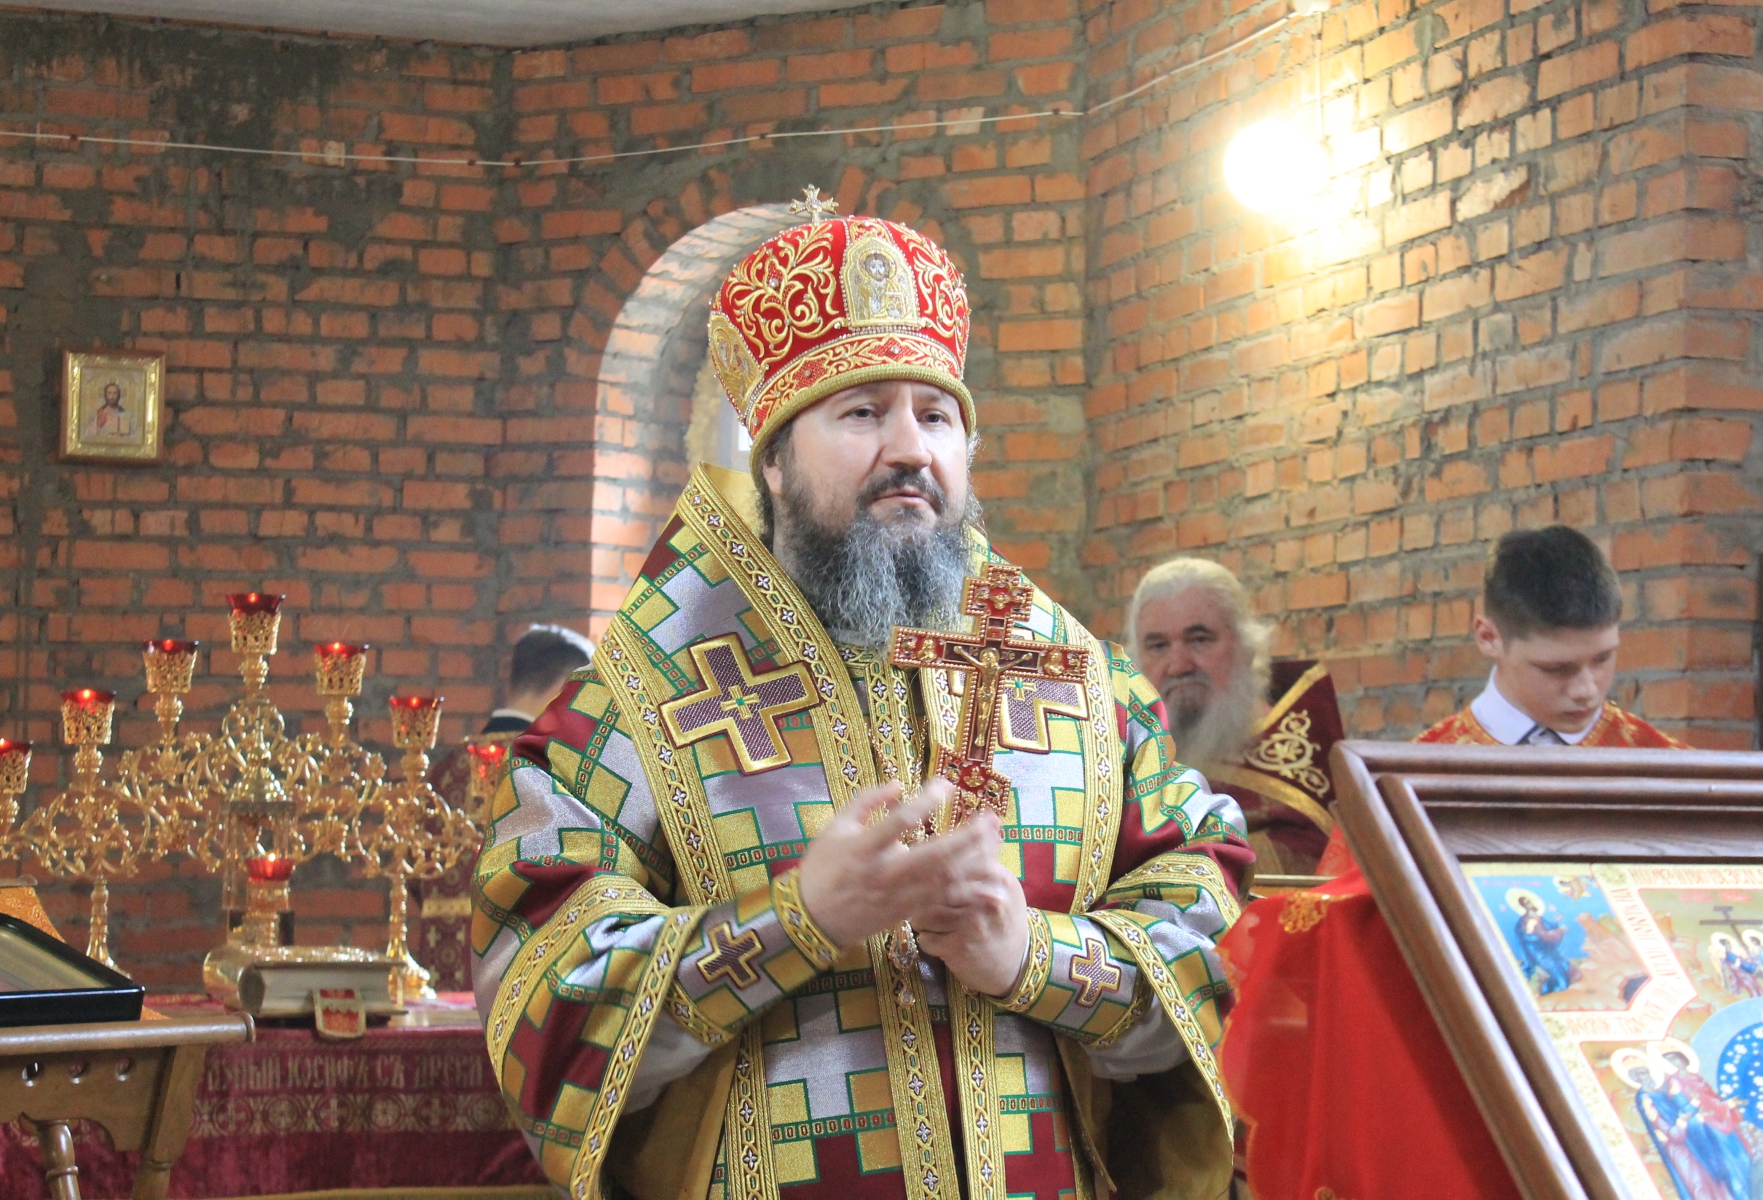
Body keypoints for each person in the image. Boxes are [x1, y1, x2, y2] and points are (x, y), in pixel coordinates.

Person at [473, 199, 1253, 1200]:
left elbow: (1219, 933)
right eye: (861, 413)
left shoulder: (1076, 681)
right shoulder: (641, 692)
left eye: (936, 416)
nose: (909, 449)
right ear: (772, 460)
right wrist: (799, 918)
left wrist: (1035, 958)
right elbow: (539, 990)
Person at [1127, 558, 1345, 876]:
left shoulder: (1301, 769)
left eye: (1199, 640)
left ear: (1246, 648)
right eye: (1158, 646)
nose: (1179, 665)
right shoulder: (1122, 767)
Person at [416, 624, 593, 991]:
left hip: (441, 980)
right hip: (523, 988)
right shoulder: (554, 768)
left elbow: (414, 877)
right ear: (565, 687)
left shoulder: (444, 772)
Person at [1416, 525, 1685, 748]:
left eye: (1603, 659)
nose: (1586, 691)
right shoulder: (1414, 775)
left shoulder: (1671, 769)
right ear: (1488, 638)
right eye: (1556, 669)